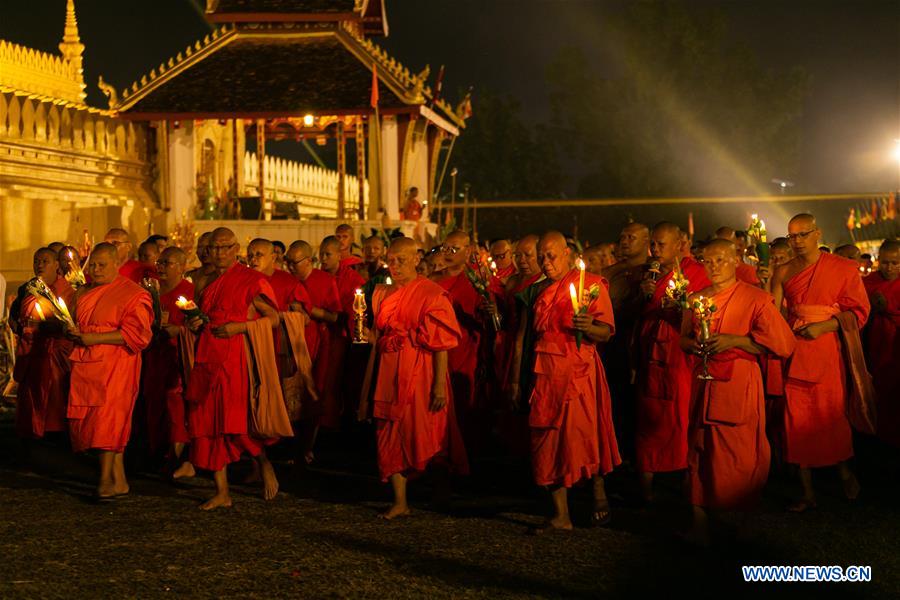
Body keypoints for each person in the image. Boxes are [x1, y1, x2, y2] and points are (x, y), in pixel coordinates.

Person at [679, 239, 796, 545]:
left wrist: (736, 341)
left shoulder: (755, 299)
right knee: (699, 450)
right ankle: (700, 525)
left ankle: (747, 523)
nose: (713, 266)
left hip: (739, 383)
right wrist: (695, 345)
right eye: (707, 261)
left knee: (744, 455)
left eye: (720, 260)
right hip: (704, 383)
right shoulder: (697, 299)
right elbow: (683, 341)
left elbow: (783, 345)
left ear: (735, 261)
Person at [770, 214, 869, 512]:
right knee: (796, 419)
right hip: (794, 348)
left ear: (817, 233)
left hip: (826, 350)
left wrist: (825, 327)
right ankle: (807, 492)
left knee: (830, 416)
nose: (797, 241)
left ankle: (844, 472)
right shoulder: (783, 270)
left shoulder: (842, 268)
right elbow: (771, 314)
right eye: (792, 236)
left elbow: (860, 312)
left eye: (803, 234)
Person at [365, 237, 468, 518]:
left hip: (421, 370)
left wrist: (438, 385)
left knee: (427, 429)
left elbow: (442, 343)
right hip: (389, 370)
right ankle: (400, 501)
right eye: (391, 260)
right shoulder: (381, 293)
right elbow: (377, 334)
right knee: (389, 430)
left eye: (401, 260)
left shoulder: (431, 294)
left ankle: (440, 491)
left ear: (415, 259)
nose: (395, 265)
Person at [525, 232, 619, 532]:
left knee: (585, 434)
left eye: (551, 255)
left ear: (567, 253)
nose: (546, 262)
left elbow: (605, 332)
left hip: (579, 372)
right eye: (541, 256)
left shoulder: (590, 285)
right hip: (546, 373)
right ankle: (561, 514)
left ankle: (598, 494)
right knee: (547, 439)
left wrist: (590, 326)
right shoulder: (541, 292)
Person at [185, 227, 284, 510]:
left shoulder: (251, 280)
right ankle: (222, 491)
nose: (216, 253)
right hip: (207, 354)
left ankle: (263, 463)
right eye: (213, 248)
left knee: (233, 420)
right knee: (207, 420)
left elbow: (274, 319)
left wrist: (239, 327)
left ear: (235, 248)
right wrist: (195, 324)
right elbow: (204, 318)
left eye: (223, 247)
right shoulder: (206, 282)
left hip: (235, 357)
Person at [67, 243, 153, 499]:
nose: (95, 269)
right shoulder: (83, 292)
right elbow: (75, 322)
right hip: (86, 364)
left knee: (108, 420)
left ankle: (104, 480)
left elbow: (138, 334)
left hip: (117, 364)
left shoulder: (133, 293)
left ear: (117, 264)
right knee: (96, 420)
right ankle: (119, 479)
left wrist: (93, 339)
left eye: (102, 264)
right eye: (92, 264)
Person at [635, 222, 710, 502]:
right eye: (652, 244)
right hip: (650, 354)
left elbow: (706, 313)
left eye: (660, 244)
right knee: (648, 419)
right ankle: (645, 488)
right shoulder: (650, 275)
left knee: (682, 418)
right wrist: (645, 293)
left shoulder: (697, 274)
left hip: (681, 357)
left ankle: (688, 483)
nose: (654, 249)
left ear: (680, 245)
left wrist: (682, 308)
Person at [8, 248, 75, 441]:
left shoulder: (68, 291)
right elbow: (15, 313)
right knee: (30, 391)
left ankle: (55, 432)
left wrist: (42, 326)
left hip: (56, 350)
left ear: (57, 265)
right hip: (32, 348)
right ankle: (31, 429)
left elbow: (70, 322)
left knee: (54, 394)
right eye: (36, 261)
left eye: (45, 261)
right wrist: (20, 327)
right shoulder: (29, 288)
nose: (39, 265)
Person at [285, 240, 342, 461]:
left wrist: (308, 309)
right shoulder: (287, 281)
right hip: (291, 343)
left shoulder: (325, 281)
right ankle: (291, 444)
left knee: (313, 394)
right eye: (287, 262)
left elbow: (335, 316)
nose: (290, 267)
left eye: (295, 262)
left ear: (309, 261)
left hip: (318, 344)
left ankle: (307, 446)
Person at [433, 230, 487, 454]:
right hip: (438, 348)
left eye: (454, 249)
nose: (447, 253)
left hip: (466, 349)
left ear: (468, 251)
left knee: (464, 403)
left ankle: (464, 452)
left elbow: (489, 320)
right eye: (445, 248)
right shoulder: (434, 280)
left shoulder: (478, 280)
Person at [142, 247, 195, 476]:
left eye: (168, 263)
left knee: (175, 406)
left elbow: (199, 324)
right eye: (160, 262)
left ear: (182, 267)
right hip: (154, 355)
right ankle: (155, 452)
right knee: (153, 404)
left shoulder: (190, 292)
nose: (160, 267)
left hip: (177, 358)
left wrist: (180, 330)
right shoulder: (150, 292)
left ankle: (176, 456)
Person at [601, 222, 650, 463]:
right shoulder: (609, 274)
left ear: (646, 242)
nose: (625, 241)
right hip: (617, 347)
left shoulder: (654, 271)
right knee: (618, 405)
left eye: (631, 237)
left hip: (649, 348)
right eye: (622, 236)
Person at [862, 240, 900, 447]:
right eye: (885, 263)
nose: (890, 268)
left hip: (896, 346)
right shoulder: (868, 282)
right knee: (879, 393)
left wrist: (888, 309)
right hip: (875, 346)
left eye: (895, 263)